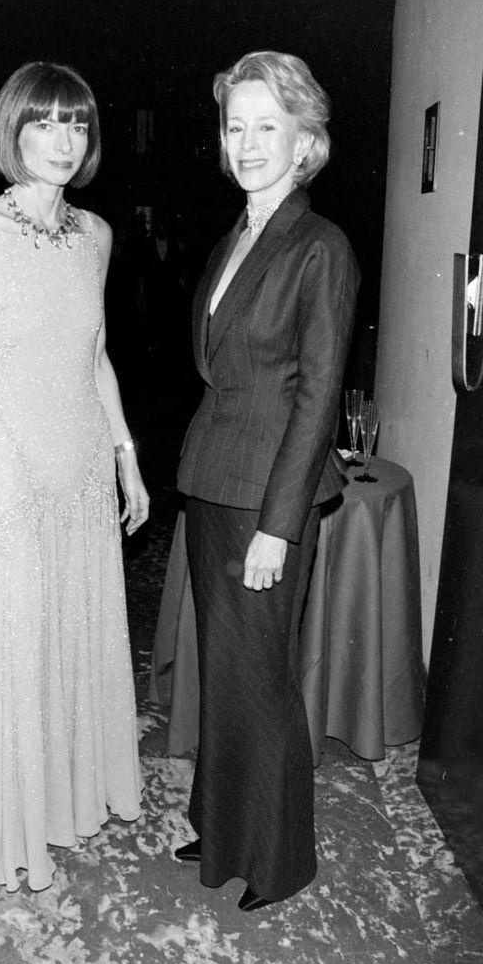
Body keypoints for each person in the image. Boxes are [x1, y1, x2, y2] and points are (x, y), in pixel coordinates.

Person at [0, 61, 149, 906]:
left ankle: (69, 797)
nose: (63, 140)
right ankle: (7, 823)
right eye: (44, 122)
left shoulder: (98, 236)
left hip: (82, 466)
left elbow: (96, 356)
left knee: (77, 629)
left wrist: (126, 455)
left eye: (77, 124)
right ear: (11, 130)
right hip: (12, 466)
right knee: (16, 639)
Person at [173, 51, 359, 911]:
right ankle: (221, 826)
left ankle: (280, 861)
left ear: (304, 141)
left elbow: (318, 398)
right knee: (226, 670)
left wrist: (280, 526)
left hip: (266, 496)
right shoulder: (233, 239)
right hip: (214, 480)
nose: (247, 143)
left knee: (263, 678)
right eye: (235, 126)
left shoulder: (321, 247)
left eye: (267, 127)